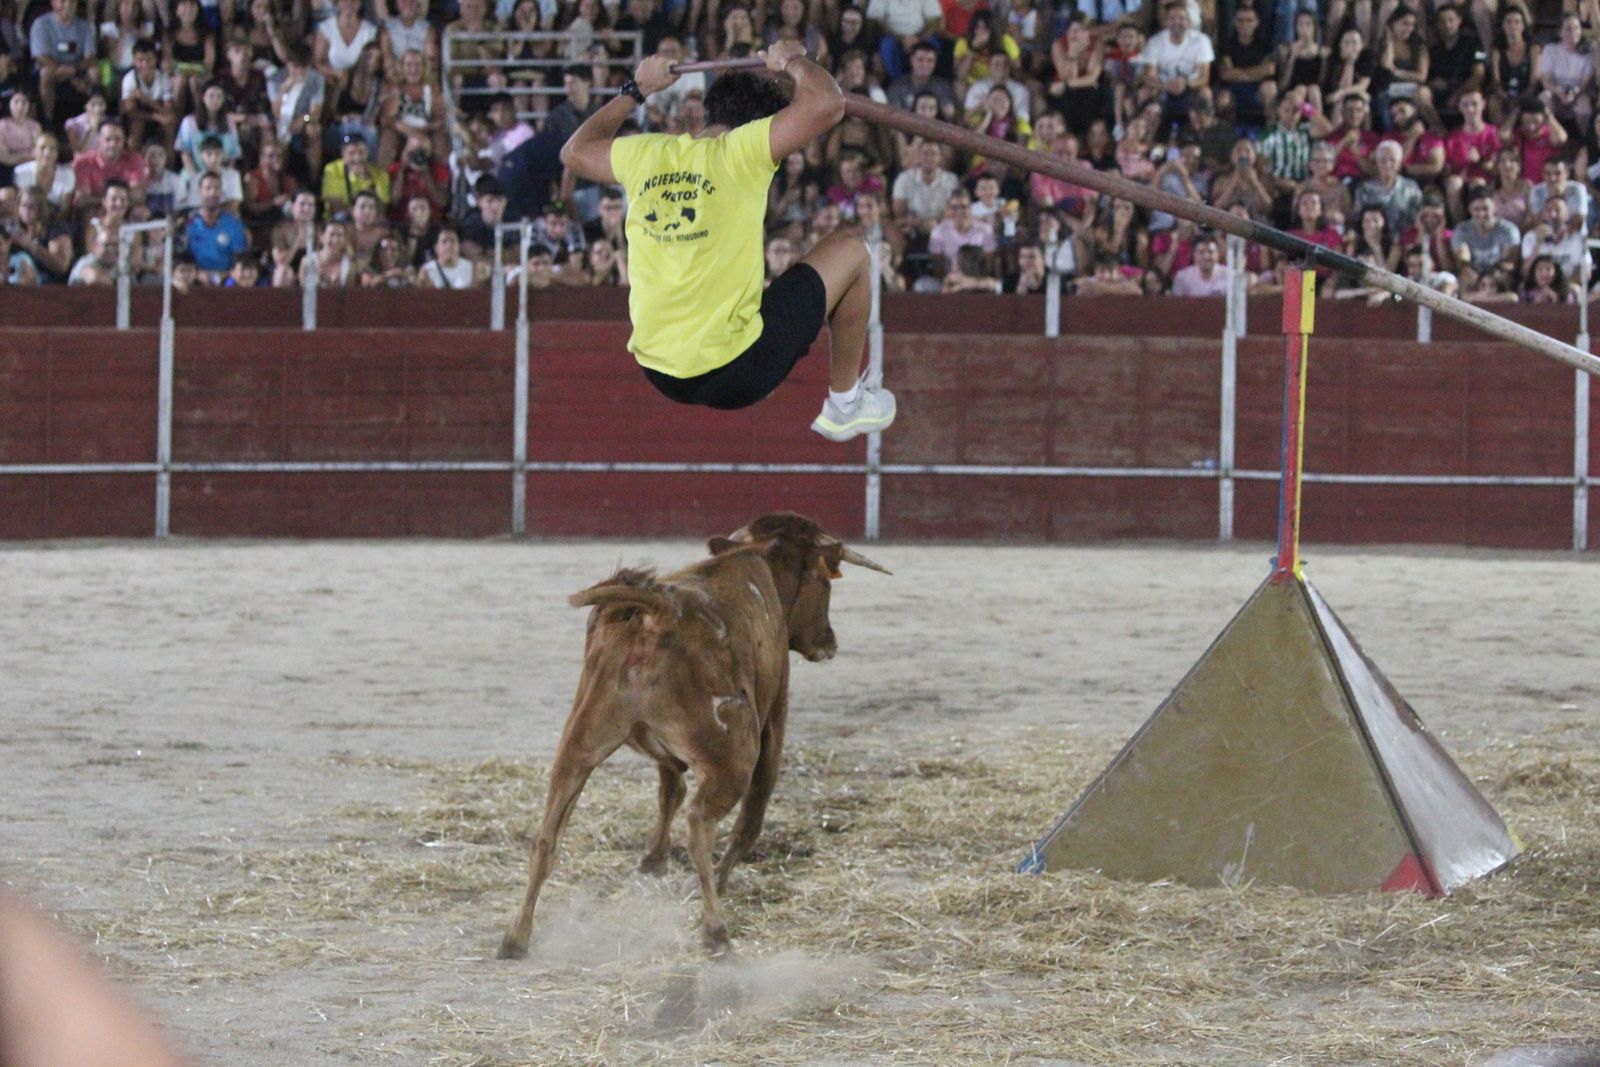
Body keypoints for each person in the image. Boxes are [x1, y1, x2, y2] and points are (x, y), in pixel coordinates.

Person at [559, 41, 895, 441]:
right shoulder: (744, 151)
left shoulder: (648, 154)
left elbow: (574, 151)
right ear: (758, 124)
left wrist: (637, 89)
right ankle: (846, 404)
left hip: (659, 369)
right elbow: (827, 103)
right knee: (853, 252)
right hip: (739, 369)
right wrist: (791, 61)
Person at [1171, 232, 1231, 296]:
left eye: (1210, 252)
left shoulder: (1229, 275)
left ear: (1218, 254)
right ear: (1194, 255)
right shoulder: (1182, 277)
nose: (1206, 256)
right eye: (1201, 252)